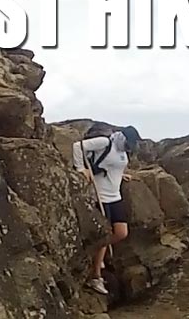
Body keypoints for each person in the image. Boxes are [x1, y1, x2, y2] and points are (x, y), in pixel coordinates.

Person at [72, 125, 142, 295]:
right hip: (101, 196)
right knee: (105, 235)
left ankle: (97, 254)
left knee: (121, 232)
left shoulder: (122, 149)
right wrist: (81, 169)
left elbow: (115, 165)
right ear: (123, 138)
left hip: (115, 196)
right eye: (130, 143)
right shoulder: (105, 142)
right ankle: (95, 276)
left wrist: (120, 175)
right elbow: (77, 146)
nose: (131, 147)